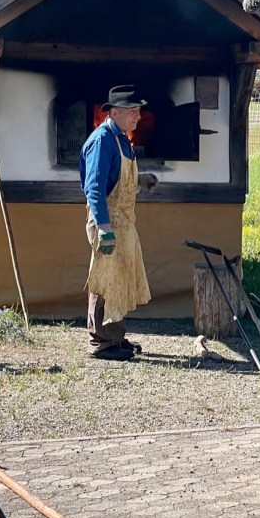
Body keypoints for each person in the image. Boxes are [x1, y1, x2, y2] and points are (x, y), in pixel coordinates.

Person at [79, 85, 158, 361]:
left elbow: (117, 177)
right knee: (105, 279)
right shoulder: (102, 140)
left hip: (123, 220)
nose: (138, 116)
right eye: (132, 111)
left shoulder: (122, 138)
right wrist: (104, 228)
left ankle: (115, 337)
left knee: (120, 278)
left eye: (139, 110)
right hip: (106, 219)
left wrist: (140, 179)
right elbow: (95, 188)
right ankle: (100, 342)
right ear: (114, 112)